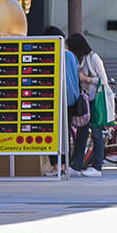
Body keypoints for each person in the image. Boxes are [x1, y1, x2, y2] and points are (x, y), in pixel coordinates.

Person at [68, 33, 112, 176]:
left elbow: (103, 81)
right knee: (81, 132)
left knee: (97, 133)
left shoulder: (93, 58)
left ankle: (97, 167)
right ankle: (76, 166)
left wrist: (85, 78)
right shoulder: (79, 60)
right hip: (87, 101)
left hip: (97, 100)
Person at [42, 25, 79, 176]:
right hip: (71, 98)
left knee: (52, 131)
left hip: (54, 99)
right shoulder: (70, 56)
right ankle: (64, 164)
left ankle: (56, 166)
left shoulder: (49, 55)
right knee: (65, 133)